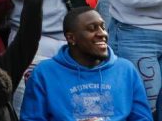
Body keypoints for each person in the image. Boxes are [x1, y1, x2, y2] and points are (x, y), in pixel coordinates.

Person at [21, 7, 152, 121]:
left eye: (103, 27)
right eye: (92, 28)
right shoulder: (44, 73)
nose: (102, 34)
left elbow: (143, 118)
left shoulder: (126, 70)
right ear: (71, 38)